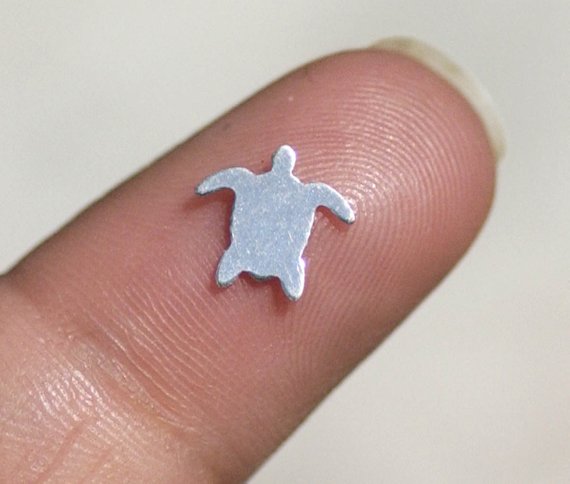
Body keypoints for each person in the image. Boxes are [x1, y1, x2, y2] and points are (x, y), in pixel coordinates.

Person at [0, 38, 502, 482]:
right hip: (262, 254)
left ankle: (268, 270)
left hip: (254, 252)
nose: (281, 161)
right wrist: (214, 189)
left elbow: (283, 191)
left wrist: (341, 209)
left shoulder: (274, 186)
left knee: (258, 267)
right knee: (256, 268)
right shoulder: (288, 188)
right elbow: (256, 187)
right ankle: (269, 270)